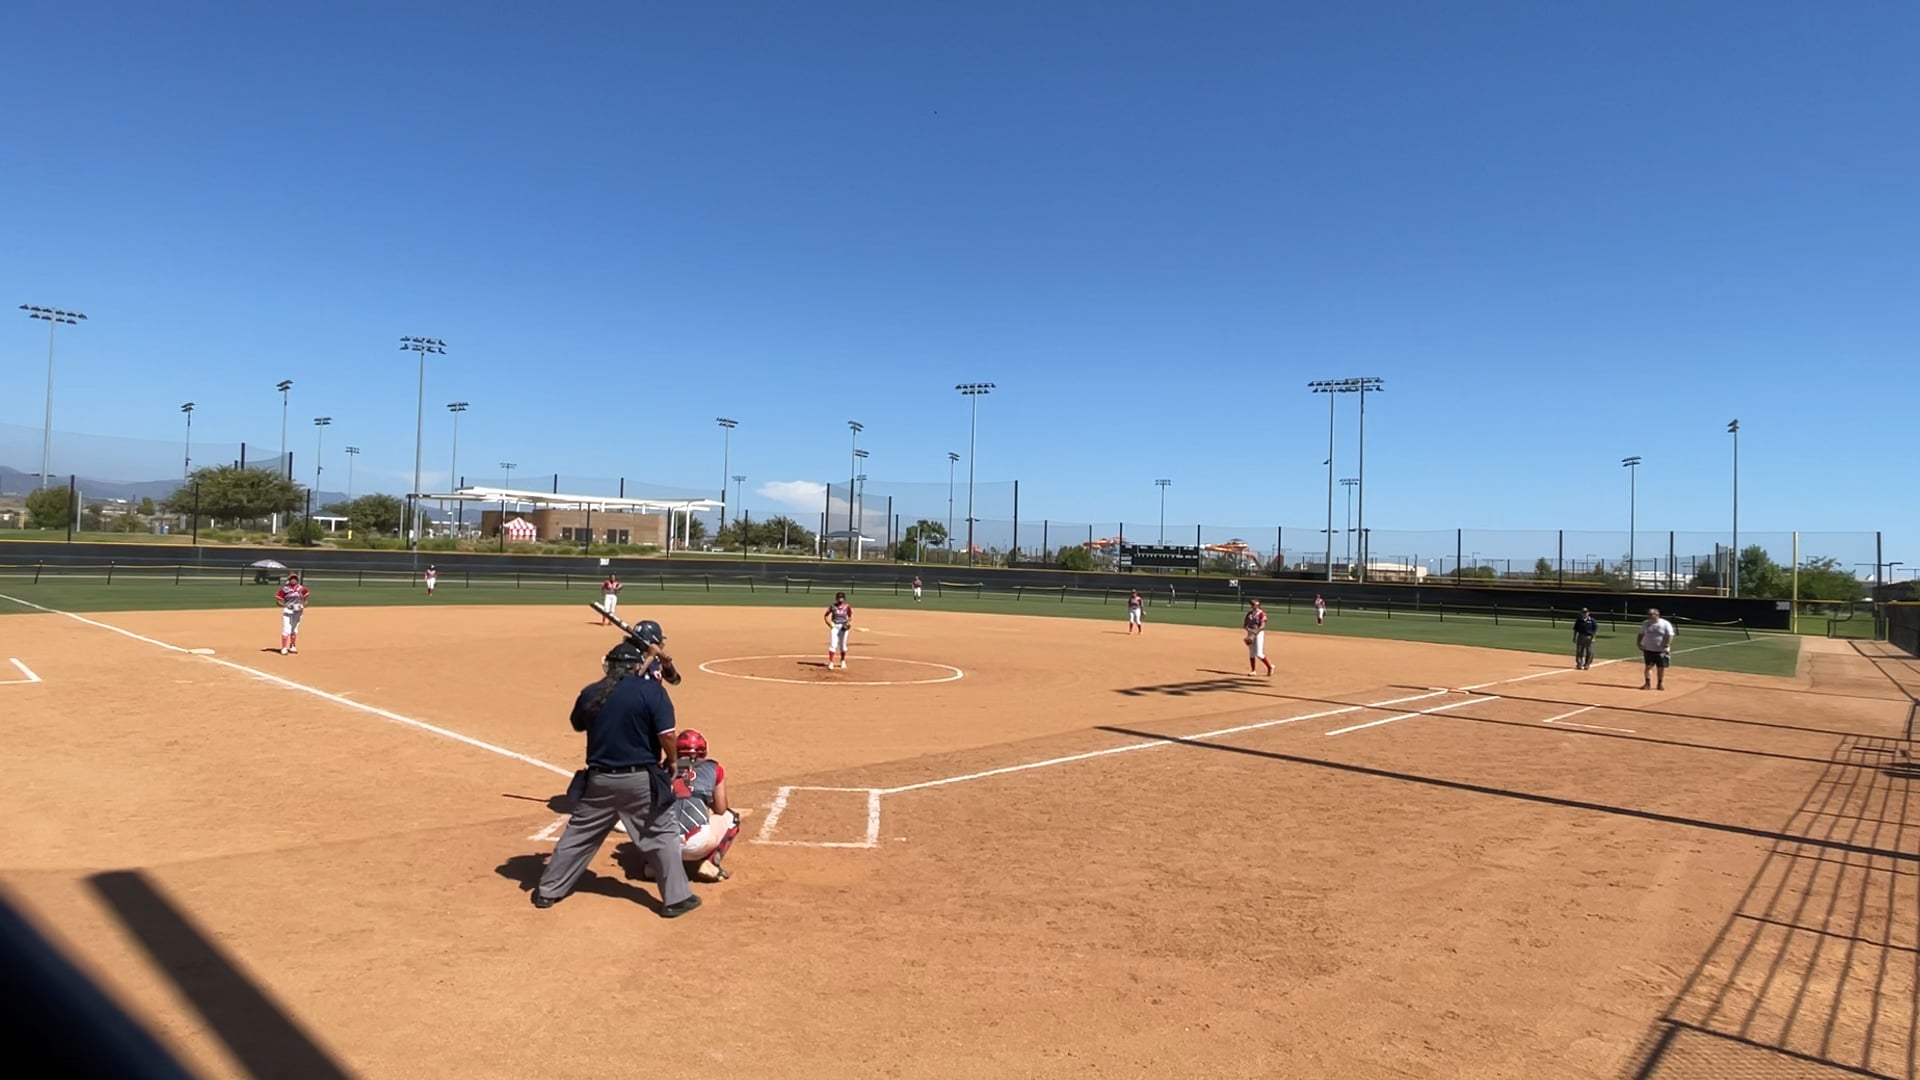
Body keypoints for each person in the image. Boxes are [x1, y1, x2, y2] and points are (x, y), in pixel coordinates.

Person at [532, 625, 700, 918]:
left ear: (608, 666)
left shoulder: (591, 692)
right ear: (637, 665)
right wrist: (673, 760)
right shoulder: (651, 691)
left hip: (599, 781)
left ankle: (548, 891)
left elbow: (578, 724)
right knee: (662, 834)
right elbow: (667, 735)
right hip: (641, 781)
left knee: (578, 836)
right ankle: (676, 899)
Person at [669, 730, 741, 883]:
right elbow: (721, 809)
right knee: (731, 818)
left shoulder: (662, 768)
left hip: (663, 845)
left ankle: (652, 865)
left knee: (649, 814)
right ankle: (711, 864)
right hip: (696, 845)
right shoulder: (714, 768)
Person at [1637, 607, 1676, 691]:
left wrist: (1667, 645)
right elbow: (1640, 634)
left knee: (1660, 667)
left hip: (1661, 650)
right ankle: (1647, 684)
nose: (1649, 616)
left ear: (1657, 615)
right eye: (1649, 614)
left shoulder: (1665, 624)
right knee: (1648, 667)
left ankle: (1660, 683)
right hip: (1648, 648)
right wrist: (1639, 643)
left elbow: (1670, 635)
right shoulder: (1645, 623)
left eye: (1651, 614)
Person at [274, 573, 309, 655]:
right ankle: (284, 648)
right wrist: (286, 605)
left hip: (298, 611)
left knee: (295, 628)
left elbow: (306, 600)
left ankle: (292, 645)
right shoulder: (284, 589)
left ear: (297, 580)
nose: (293, 580)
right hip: (288, 611)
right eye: (292, 579)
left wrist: (302, 605)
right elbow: (278, 601)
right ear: (289, 580)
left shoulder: (302, 589)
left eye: (295, 578)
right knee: (286, 629)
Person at [824, 592, 854, 669]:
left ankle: (842, 661)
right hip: (835, 626)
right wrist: (829, 624)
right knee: (833, 644)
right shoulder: (833, 606)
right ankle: (831, 662)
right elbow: (826, 615)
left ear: (844, 598)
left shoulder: (847, 607)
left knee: (843, 646)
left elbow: (850, 616)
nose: (840, 599)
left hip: (843, 627)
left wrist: (847, 623)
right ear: (836, 598)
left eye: (842, 597)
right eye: (839, 597)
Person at [1244, 599, 1273, 677]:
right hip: (1250, 634)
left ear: (1258, 605)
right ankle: (1253, 671)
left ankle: (1269, 667)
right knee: (1251, 653)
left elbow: (1263, 625)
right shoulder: (1249, 614)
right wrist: (1249, 630)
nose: (1254, 606)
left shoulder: (1262, 614)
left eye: (1255, 605)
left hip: (1259, 634)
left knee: (1259, 654)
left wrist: (1255, 632)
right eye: (1252, 604)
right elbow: (1245, 625)